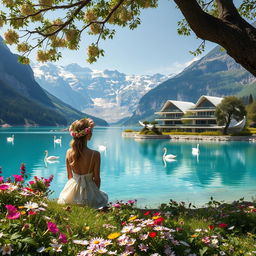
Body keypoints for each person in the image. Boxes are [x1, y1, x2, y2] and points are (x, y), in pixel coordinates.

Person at [58, 118, 108, 208]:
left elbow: (69, 177)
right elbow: (97, 179)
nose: (92, 133)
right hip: (89, 192)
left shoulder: (69, 152)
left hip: (72, 192)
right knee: (103, 198)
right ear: (88, 134)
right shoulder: (95, 154)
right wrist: (95, 194)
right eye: (91, 131)